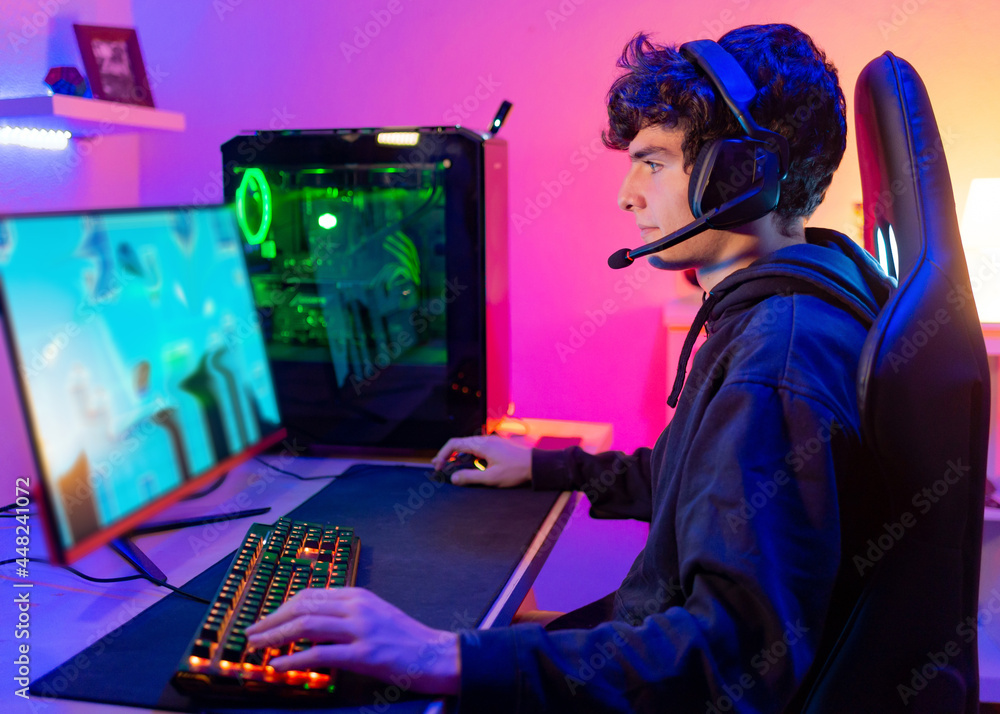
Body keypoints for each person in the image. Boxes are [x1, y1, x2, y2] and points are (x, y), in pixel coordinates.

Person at [246, 23, 892, 712]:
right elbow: (700, 482)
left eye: (653, 161)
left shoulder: (774, 361)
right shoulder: (791, 307)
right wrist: (548, 465)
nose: (628, 195)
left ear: (738, 173)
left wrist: (438, 655)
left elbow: (730, 659)